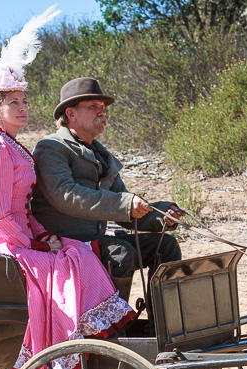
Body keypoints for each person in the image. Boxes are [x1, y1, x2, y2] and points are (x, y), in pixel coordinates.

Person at [0, 7, 134, 369]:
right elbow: (2, 215)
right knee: (64, 262)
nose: (23, 108)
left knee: (73, 252)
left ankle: (93, 333)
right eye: (13, 103)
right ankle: (67, 345)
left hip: (19, 230)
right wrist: (37, 243)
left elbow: (23, 209)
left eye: (24, 101)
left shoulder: (12, 145)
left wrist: (43, 233)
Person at [31, 77, 185, 301]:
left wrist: (163, 215)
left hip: (93, 241)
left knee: (166, 245)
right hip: (63, 242)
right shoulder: (51, 148)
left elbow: (123, 206)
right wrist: (125, 205)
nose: (102, 112)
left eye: (103, 108)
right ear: (71, 114)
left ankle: (159, 325)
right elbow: (65, 196)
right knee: (121, 254)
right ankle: (113, 328)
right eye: (93, 107)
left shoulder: (101, 154)